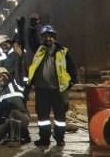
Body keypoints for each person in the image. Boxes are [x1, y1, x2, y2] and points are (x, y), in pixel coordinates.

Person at [28, 15, 77, 147]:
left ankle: (59, 138)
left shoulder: (63, 52)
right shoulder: (39, 50)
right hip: (42, 90)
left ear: (54, 38)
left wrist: (71, 83)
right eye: (45, 36)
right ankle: (44, 139)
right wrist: (32, 27)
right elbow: (32, 40)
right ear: (42, 38)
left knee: (60, 117)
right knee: (43, 117)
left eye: (50, 36)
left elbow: (72, 69)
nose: (48, 38)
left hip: (58, 91)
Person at [0, 67, 30, 147]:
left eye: (3, 76)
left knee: (14, 113)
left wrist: (20, 60)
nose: (1, 78)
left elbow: (20, 71)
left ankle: (15, 140)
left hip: (22, 117)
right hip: (9, 119)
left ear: (8, 76)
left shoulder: (17, 85)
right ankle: (13, 136)